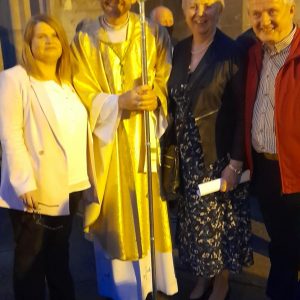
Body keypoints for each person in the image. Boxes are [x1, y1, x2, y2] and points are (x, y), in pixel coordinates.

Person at [71, 0, 178, 300]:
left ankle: (150, 281)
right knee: (114, 211)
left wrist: (155, 98)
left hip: (142, 135)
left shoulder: (153, 33)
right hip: (107, 144)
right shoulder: (85, 37)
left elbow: (164, 78)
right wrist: (119, 102)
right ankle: (120, 288)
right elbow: (81, 88)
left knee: (147, 208)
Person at [0, 14, 95, 300]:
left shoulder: (67, 83)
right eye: (41, 36)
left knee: (58, 259)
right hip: (36, 188)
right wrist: (23, 181)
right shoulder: (15, 79)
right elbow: (10, 133)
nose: (49, 41)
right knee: (30, 262)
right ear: (29, 44)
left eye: (54, 35)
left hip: (71, 186)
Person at [167, 0, 253, 299]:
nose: (200, 13)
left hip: (218, 157)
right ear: (183, 9)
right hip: (187, 157)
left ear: (221, 9)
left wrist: (236, 162)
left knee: (219, 226)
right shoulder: (178, 50)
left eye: (208, 5)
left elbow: (244, 111)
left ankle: (222, 282)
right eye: (193, 5)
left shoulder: (231, 52)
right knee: (195, 227)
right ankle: (204, 277)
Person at [245, 0, 300, 299]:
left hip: (297, 170)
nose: (263, 20)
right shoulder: (253, 53)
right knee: (279, 244)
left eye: (271, 12)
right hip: (266, 171)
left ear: (291, 9)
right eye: (256, 14)